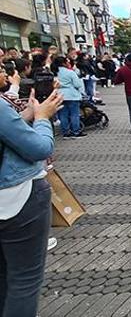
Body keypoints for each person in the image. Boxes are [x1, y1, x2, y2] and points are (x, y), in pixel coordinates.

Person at [0, 67, 62, 317]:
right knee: (25, 279)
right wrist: (43, 119)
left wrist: (24, 117)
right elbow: (39, 148)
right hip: (15, 197)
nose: (5, 71)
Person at [51, 57, 86, 138]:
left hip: (60, 95)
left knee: (63, 115)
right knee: (74, 114)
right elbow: (77, 84)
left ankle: (66, 132)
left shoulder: (54, 72)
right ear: (64, 63)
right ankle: (76, 131)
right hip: (72, 95)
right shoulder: (70, 72)